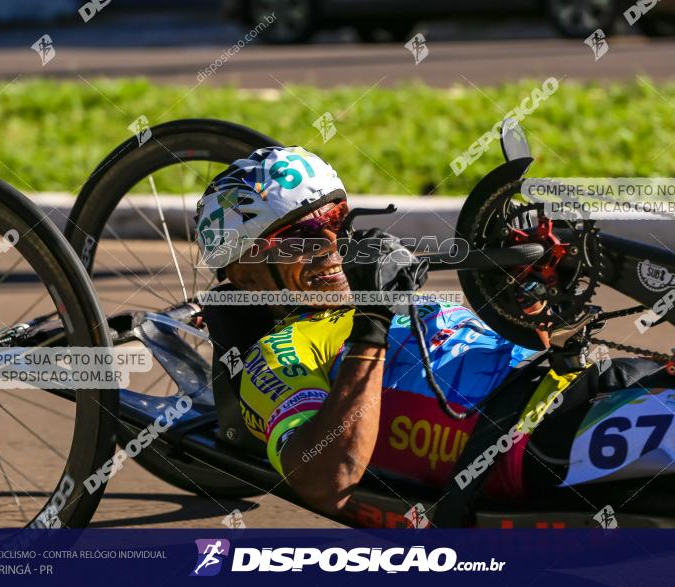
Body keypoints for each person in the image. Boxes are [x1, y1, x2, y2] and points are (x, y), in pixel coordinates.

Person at [195, 146, 557, 514]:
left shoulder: (384, 292)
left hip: (571, 385)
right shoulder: (282, 351)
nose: (332, 246)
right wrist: (372, 322)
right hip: (531, 443)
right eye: (301, 238)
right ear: (247, 274)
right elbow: (324, 482)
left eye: (337, 220)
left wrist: (527, 292)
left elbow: (538, 349)